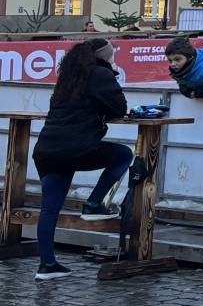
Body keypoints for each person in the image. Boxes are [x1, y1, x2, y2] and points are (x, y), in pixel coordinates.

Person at [28, 40, 135, 280]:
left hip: (47, 151)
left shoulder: (68, 77)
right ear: (104, 57)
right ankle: (94, 203)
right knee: (123, 154)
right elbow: (119, 108)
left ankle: (47, 265)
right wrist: (112, 76)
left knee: (49, 209)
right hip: (77, 149)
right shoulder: (101, 74)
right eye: (111, 56)